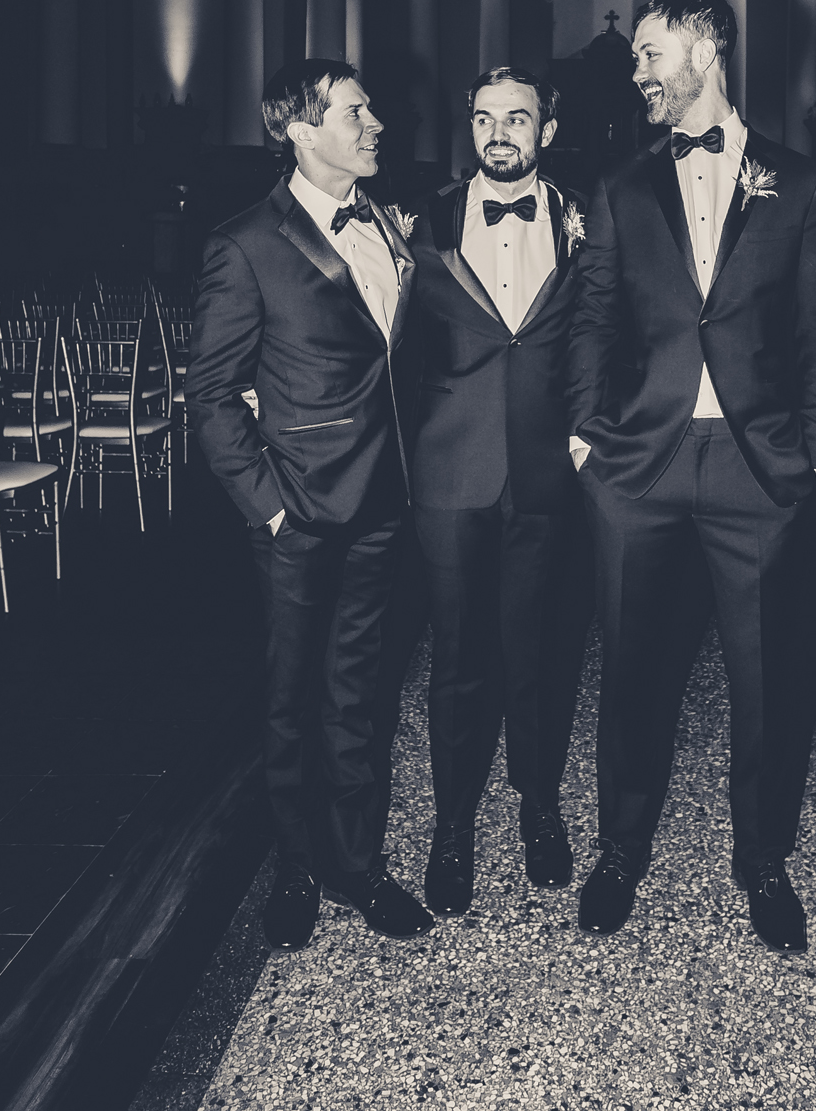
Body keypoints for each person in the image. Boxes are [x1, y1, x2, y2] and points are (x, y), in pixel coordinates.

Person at [566, 0, 816, 951]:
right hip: (638, 465)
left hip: (757, 470)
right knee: (630, 670)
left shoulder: (801, 182)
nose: (637, 71)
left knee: (768, 680)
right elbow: (592, 318)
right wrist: (584, 436)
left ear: (706, 51)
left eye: (651, 54)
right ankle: (619, 852)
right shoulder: (620, 182)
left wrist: (813, 453)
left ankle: (762, 859)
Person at [187, 59, 431, 950]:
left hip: (384, 505)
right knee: (292, 701)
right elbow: (211, 394)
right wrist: (270, 507)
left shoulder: (390, 225)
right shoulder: (245, 243)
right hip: (297, 513)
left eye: (370, 110)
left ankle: (357, 866)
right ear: (299, 130)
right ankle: (295, 868)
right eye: (354, 113)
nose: (375, 125)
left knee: (358, 695)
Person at [408, 67, 593, 915]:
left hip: (550, 471)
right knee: (457, 657)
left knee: (542, 652)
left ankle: (539, 807)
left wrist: (595, 434)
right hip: (450, 471)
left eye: (516, 119)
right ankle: (451, 828)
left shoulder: (588, 220)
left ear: (546, 130)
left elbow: (611, 332)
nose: (498, 133)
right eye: (484, 118)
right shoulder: (421, 220)